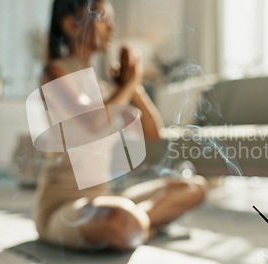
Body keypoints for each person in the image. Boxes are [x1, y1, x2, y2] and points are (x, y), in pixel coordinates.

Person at [33, 0, 207, 251]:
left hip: (103, 201)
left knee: (194, 187)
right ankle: (137, 226)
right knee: (121, 219)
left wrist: (133, 87)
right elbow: (92, 122)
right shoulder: (53, 72)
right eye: (103, 18)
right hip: (62, 206)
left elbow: (153, 134)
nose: (112, 27)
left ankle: (135, 227)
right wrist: (127, 85)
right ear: (72, 25)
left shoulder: (105, 89)